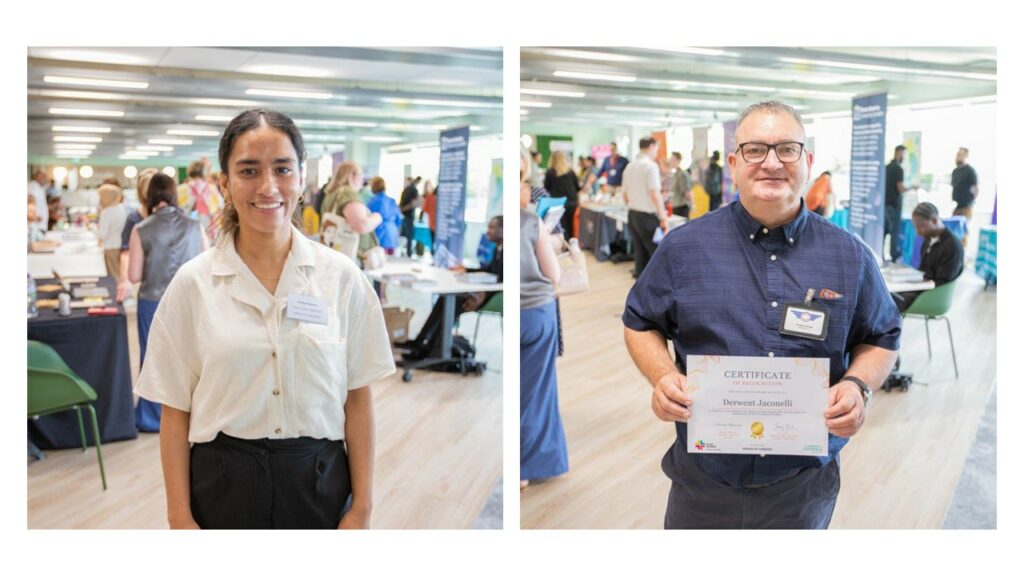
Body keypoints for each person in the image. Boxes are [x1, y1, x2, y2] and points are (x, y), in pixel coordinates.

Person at [622, 100, 901, 530]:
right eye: (755, 150)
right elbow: (640, 322)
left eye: (787, 149)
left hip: (802, 485)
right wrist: (662, 377)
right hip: (704, 477)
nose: (772, 162)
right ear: (734, 163)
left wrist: (857, 386)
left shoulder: (850, 258)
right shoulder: (684, 250)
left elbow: (881, 336)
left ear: (807, 160)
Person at [135, 109, 395, 530]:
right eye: (249, 171)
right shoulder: (193, 285)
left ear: (301, 176)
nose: (268, 187)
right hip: (223, 483)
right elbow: (175, 410)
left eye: (282, 169)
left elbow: (357, 396)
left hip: (318, 483)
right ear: (225, 183)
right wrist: (179, 516)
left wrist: (362, 507)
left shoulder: (341, 279)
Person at [128, 172, 207, 432]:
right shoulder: (195, 226)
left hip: (152, 302)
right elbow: (207, 264)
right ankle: (190, 413)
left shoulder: (141, 229)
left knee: (153, 361)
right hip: (191, 302)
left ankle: (152, 418)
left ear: (149, 196)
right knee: (190, 360)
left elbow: (134, 275)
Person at [401, 215, 504, 361]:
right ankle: (422, 341)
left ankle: (431, 348)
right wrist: (465, 270)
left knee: (453, 301)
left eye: (492, 228)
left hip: (494, 297)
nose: (487, 231)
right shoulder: (498, 249)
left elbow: (501, 279)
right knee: (446, 298)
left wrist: (483, 293)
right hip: (486, 292)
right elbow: (489, 271)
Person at [520, 176, 567, 489]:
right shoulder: (529, 221)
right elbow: (554, 273)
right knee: (534, 393)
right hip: (535, 312)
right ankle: (525, 466)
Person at [892, 202, 964, 313]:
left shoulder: (952, 246)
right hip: (922, 289)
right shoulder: (928, 239)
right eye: (916, 227)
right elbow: (923, 271)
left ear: (935, 220)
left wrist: (914, 284)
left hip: (934, 296)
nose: (918, 231)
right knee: (883, 294)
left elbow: (942, 282)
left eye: (922, 226)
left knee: (887, 301)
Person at [622, 136, 668, 279]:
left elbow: (624, 195)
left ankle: (641, 287)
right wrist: (663, 217)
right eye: (656, 148)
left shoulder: (630, 166)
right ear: (650, 147)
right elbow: (655, 194)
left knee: (640, 253)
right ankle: (657, 288)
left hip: (633, 215)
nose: (656, 152)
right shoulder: (650, 166)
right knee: (656, 253)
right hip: (647, 218)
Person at [320, 161, 383, 264]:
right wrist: (377, 217)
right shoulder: (347, 193)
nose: (362, 179)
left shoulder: (332, 194)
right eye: (360, 175)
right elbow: (362, 225)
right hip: (350, 258)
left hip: (334, 254)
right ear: (351, 176)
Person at [116, 168, 159, 302]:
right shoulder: (134, 219)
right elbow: (126, 252)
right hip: (145, 284)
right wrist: (125, 279)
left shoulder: (173, 217)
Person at [177, 159, 224, 240]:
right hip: (210, 231)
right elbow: (221, 207)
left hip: (188, 231)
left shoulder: (181, 189)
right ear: (204, 172)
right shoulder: (211, 188)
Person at [543, 151, 581, 241]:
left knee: (561, 228)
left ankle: (564, 246)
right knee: (572, 226)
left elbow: (546, 189)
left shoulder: (550, 173)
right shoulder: (570, 171)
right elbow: (578, 188)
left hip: (558, 204)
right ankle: (572, 245)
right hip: (572, 202)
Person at [97, 183, 128, 282]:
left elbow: (102, 234)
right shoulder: (120, 208)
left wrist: (92, 227)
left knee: (113, 277)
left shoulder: (106, 212)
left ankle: (117, 296)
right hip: (120, 245)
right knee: (119, 273)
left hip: (110, 248)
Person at [365, 176, 401, 255]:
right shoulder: (392, 201)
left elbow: (366, 219)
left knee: (378, 260)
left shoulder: (372, 201)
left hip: (379, 232)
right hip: (392, 234)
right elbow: (399, 220)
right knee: (391, 261)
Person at [884, 145, 907, 264]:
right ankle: (894, 256)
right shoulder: (898, 169)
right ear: (899, 153)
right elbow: (900, 187)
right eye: (904, 154)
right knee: (894, 233)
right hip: (894, 206)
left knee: (884, 231)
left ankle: (882, 255)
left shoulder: (886, 167)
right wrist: (910, 188)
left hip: (885, 205)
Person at [951, 147, 978, 246]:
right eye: (957, 154)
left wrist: (970, 204)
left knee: (963, 230)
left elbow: (975, 189)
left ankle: (962, 252)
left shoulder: (970, 171)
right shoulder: (955, 171)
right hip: (956, 205)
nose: (958, 157)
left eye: (960, 155)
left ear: (966, 156)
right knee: (954, 229)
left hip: (966, 206)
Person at [399, 176, 421, 256]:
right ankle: (408, 253)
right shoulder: (409, 190)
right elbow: (413, 203)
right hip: (407, 216)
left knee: (407, 236)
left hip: (406, 215)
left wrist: (402, 209)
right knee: (407, 236)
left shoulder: (409, 190)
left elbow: (413, 203)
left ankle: (408, 253)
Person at [668, 151, 691, 218]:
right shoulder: (674, 174)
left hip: (682, 208)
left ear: (678, 161)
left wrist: (692, 204)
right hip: (675, 206)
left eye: (672, 159)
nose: (670, 161)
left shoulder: (682, 174)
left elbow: (687, 192)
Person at [420, 179, 437, 253]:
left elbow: (425, 209)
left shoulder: (429, 198)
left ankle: (434, 255)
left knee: (433, 241)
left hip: (432, 224)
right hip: (436, 224)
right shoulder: (430, 197)